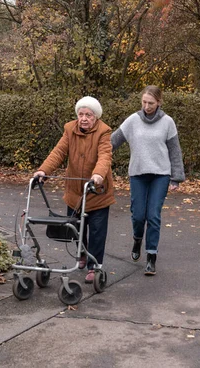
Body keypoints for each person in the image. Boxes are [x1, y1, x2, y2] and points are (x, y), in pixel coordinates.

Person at [34, 96, 115, 283]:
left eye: (88, 115)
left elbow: (105, 156)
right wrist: (43, 170)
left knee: (96, 230)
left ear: (96, 117)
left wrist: (98, 175)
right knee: (76, 228)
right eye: (81, 114)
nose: (84, 118)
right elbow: (58, 152)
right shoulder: (69, 129)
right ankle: (83, 255)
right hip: (75, 192)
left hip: (97, 191)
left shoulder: (104, 132)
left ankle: (94, 266)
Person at [111, 85, 185, 275]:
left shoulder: (168, 122)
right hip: (138, 173)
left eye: (151, 103)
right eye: (144, 102)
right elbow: (113, 141)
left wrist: (176, 177)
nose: (147, 106)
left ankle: (151, 256)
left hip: (160, 174)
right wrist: (96, 154)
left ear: (159, 102)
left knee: (153, 215)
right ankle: (137, 239)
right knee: (138, 215)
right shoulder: (133, 120)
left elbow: (175, 151)